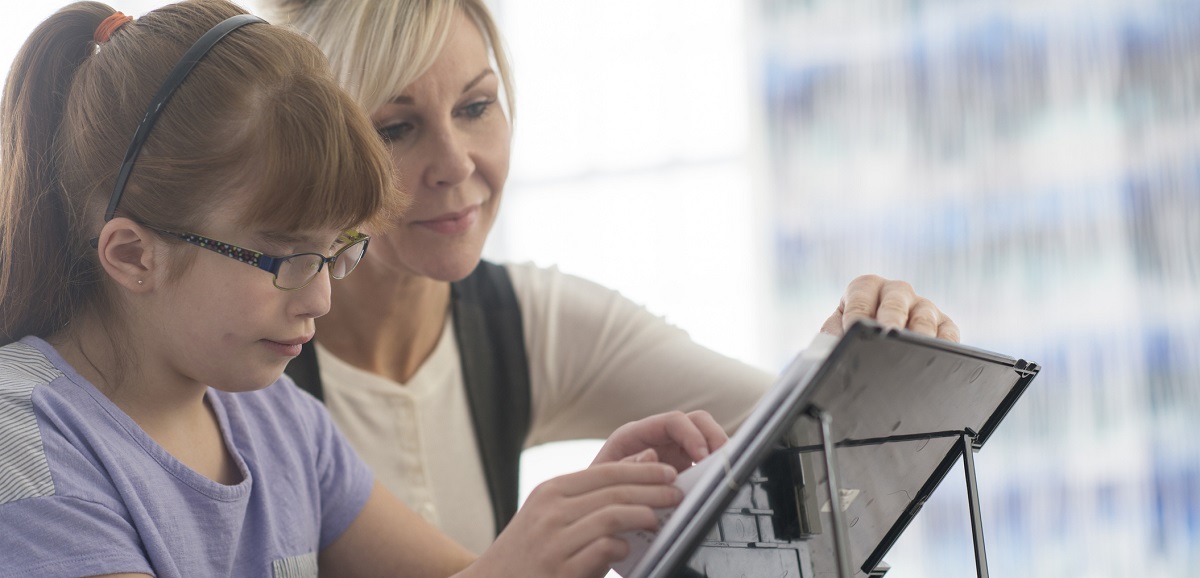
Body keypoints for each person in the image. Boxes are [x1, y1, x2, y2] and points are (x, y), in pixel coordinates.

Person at [0, 2, 729, 576]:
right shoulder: (23, 438)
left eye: (337, 253)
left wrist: (575, 526)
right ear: (132, 256)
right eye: (286, 258)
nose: (319, 298)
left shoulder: (279, 421)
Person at [262, 0, 963, 555]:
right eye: (395, 128)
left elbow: (801, 433)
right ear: (325, 152)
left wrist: (855, 350)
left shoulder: (524, 322)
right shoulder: (249, 369)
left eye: (476, 107)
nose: (455, 162)